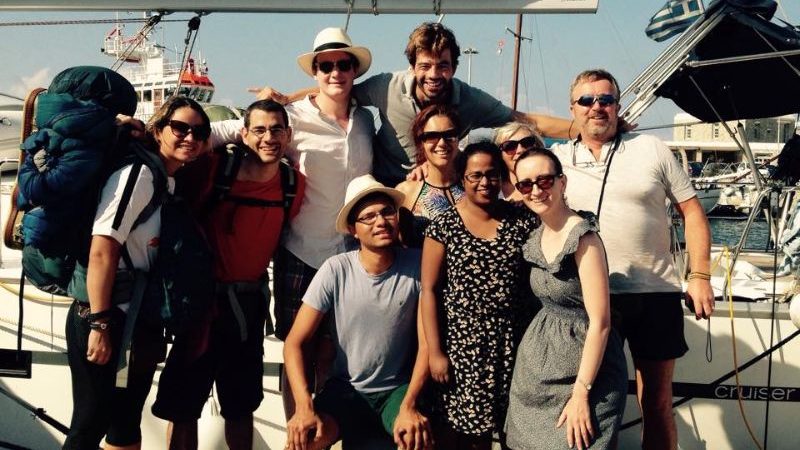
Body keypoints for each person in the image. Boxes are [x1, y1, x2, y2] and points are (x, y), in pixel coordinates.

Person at [209, 27, 374, 418]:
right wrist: (155, 137)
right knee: (296, 352)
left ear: (355, 70)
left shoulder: (367, 119)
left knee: (333, 355)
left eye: (344, 64)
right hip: (301, 250)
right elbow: (224, 131)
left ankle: (326, 433)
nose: (336, 72)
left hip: (351, 255)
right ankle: (297, 430)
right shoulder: (293, 119)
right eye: (326, 65)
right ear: (314, 72)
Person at [551, 69, 713, 450]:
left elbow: (691, 212)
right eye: (586, 101)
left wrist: (700, 274)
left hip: (654, 291)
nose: (597, 108)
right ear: (572, 108)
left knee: (655, 402)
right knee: (586, 398)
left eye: (606, 100)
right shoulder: (556, 160)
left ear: (618, 106)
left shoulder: (651, 148)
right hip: (588, 297)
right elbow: (510, 134)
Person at [151, 99, 306, 449]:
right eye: (260, 130)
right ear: (244, 134)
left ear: (289, 135)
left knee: (241, 405)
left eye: (277, 129)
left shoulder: (293, 184)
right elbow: (170, 165)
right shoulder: (214, 169)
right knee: (184, 407)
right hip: (202, 307)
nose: (269, 138)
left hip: (248, 309)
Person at [64, 96, 210, 450]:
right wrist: (99, 324)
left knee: (125, 418)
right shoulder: (139, 175)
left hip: (136, 322)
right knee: (90, 420)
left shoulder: (166, 179)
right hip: (104, 317)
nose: (190, 137)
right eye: (180, 128)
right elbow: (103, 247)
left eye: (199, 132)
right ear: (159, 131)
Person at [260, 22, 573, 186]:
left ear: (454, 67)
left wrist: (581, 128)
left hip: (437, 187)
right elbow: (337, 88)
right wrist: (288, 99)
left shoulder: (470, 100)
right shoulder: (387, 87)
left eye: (443, 66)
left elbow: (527, 119)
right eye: (425, 66)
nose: (434, 74)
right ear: (412, 66)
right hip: (385, 186)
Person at [283, 175, 432, 450]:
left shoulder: (419, 265)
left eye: (387, 212)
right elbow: (295, 342)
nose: (380, 221)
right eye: (369, 217)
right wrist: (303, 407)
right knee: (303, 441)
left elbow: (427, 344)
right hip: (345, 390)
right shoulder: (335, 269)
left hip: (396, 391)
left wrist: (409, 405)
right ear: (353, 229)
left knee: (417, 438)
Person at [504, 148, 627, 450]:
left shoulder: (584, 238)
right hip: (535, 373)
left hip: (586, 374)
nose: (536, 190)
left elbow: (600, 322)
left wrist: (581, 394)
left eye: (544, 181)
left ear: (562, 183)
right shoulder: (536, 237)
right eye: (526, 184)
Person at [419, 141, 537, 449]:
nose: (485, 182)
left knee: (519, 429)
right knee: (472, 437)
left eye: (492, 174)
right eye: (475, 176)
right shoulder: (444, 225)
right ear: (462, 178)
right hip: (464, 347)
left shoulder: (522, 220)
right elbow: (429, 290)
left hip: (515, 340)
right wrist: (435, 352)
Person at [395, 104, 464, 248]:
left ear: (458, 138)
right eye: (432, 136)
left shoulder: (473, 184)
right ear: (421, 143)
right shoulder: (406, 191)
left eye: (449, 135)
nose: (442, 143)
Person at [493, 122, 546, 201]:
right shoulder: (492, 190)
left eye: (527, 142)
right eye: (509, 146)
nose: (520, 150)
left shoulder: (552, 183)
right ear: (499, 154)